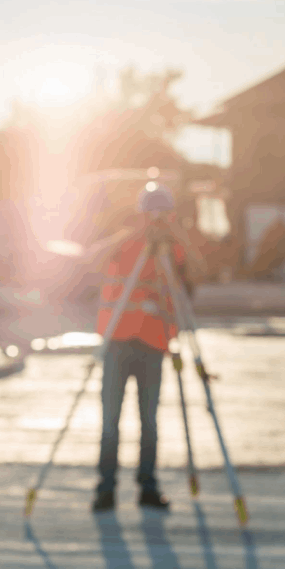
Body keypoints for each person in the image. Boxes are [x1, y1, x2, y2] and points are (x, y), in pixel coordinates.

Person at [90, 183, 205, 513]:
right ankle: (106, 488)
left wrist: (178, 236)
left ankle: (148, 485)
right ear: (140, 215)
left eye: (163, 215)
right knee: (110, 421)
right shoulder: (125, 243)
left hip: (153, 345)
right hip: (118, 341)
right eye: (151, 214)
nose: (156, 221)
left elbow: (200, 271)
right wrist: (134, 233)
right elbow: (93, 258)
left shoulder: (173, 250)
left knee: (149, 422)